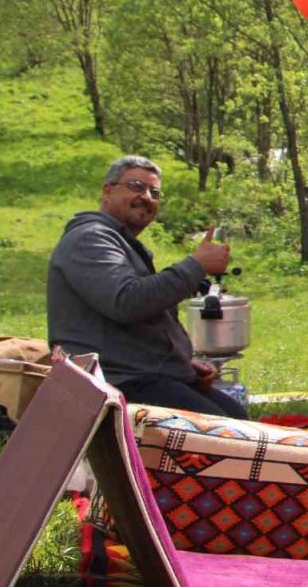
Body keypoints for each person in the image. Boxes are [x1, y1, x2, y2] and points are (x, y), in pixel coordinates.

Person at [47, 156, 246, 418]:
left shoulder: (119, 242)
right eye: (136, 186)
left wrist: (181, 365)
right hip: (115, 383)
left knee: (236, 416)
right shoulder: (90, 238)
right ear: (108, 190)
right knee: (228, 432)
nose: (147, 197)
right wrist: (196, 265)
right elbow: (127, 302)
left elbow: (143, 317)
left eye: (154, 192)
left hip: (143, 373)